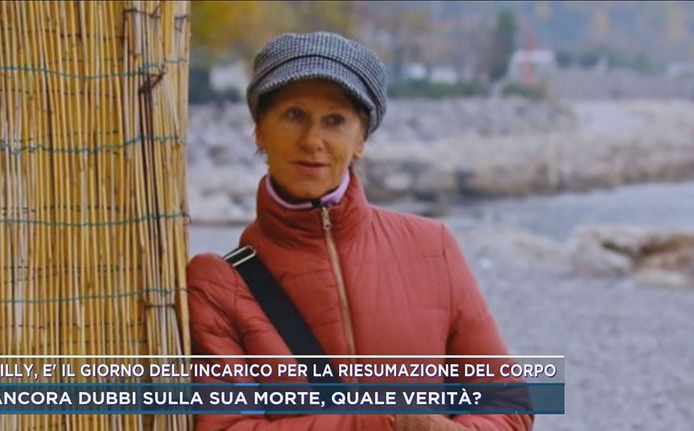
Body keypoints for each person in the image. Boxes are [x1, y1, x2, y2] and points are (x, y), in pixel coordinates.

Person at [187, 31, 534, 431]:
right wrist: (387, 422)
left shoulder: (432, 247)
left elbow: (508, 405)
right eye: (294, 115)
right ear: (260, 130)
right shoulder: (219, 286)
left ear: (360, 139)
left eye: (335, 121)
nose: (312, 140)